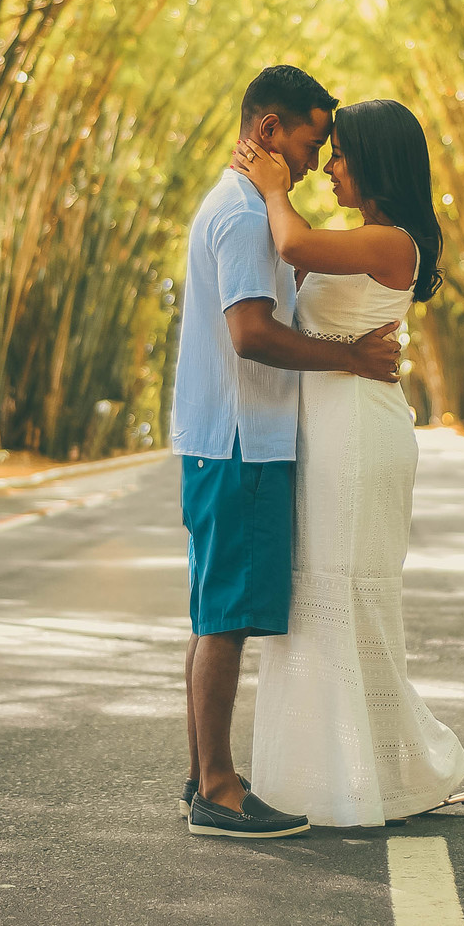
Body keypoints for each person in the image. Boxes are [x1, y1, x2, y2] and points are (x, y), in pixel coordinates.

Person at [232, 98, 464, 828]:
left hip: (361, 436)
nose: (329, 167)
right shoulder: (364, 239)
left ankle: (390, 775)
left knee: (352, 596)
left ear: (374, 163)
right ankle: (335, 779)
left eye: (340, 155)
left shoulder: (393, 243)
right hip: (327, 429)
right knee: (320, 598)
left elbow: (292, 246)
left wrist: (272, 185)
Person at [170, 66, 403, 840]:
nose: (313, 160)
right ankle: (217, 790)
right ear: (269, 129)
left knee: (216, 613)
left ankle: (205, 777)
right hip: (242, 439)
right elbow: (251, 334)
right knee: (226, 619)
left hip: (228, 439)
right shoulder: (243, 214)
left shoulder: (243, 206)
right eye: (310, 141)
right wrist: (351, 357)